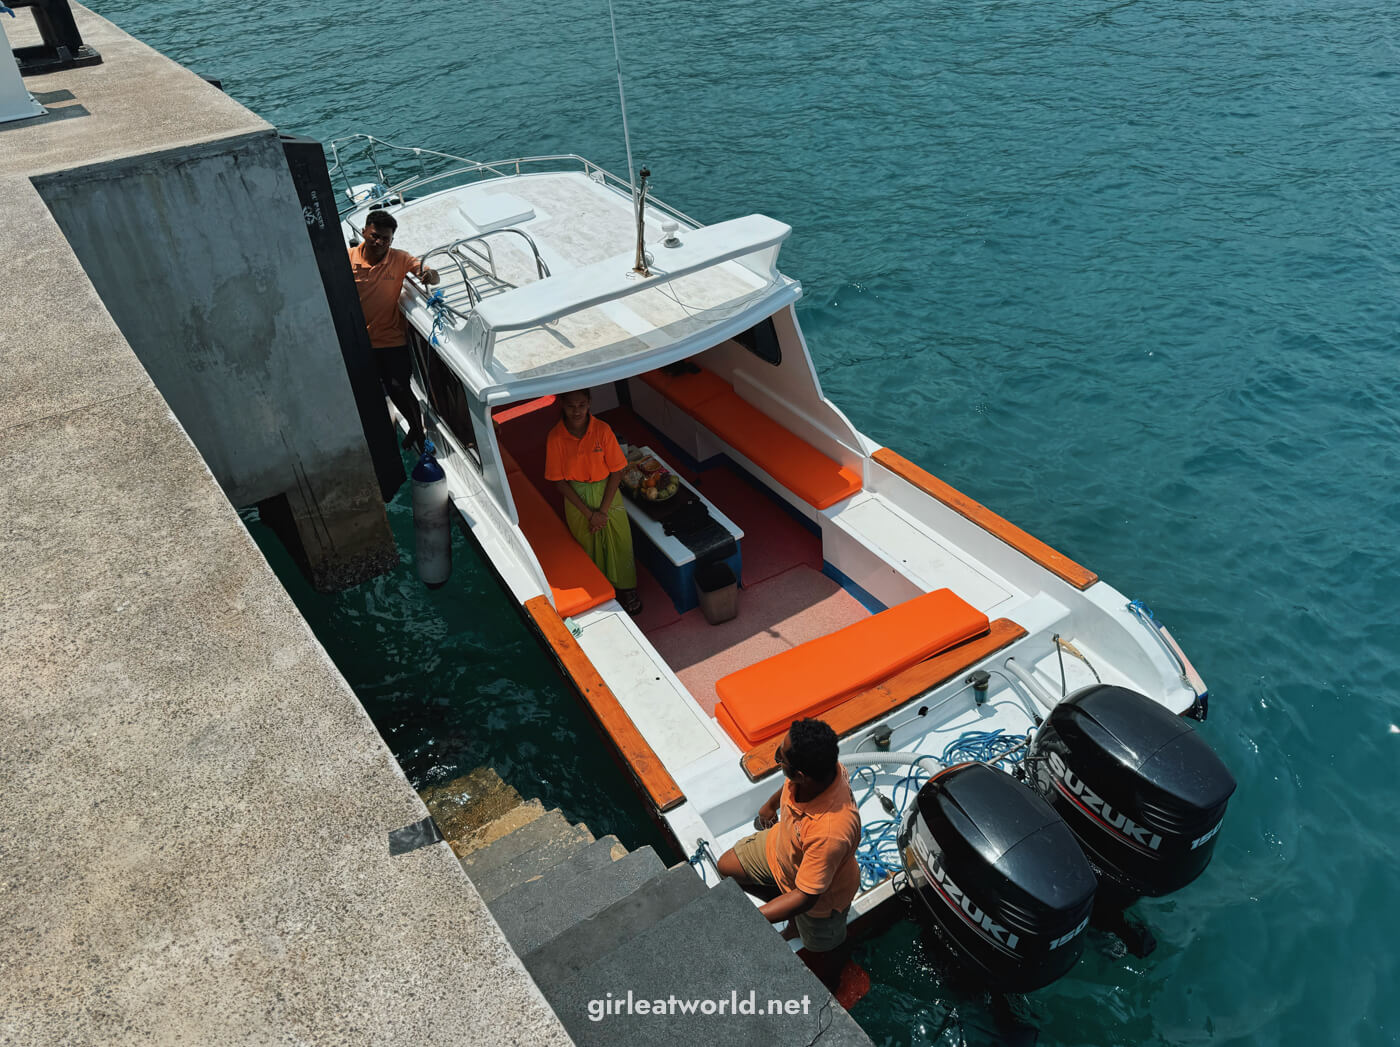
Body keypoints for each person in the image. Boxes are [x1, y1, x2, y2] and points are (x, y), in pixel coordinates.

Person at [716, 718, 861, 990]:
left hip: (820, 898)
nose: (777, 761)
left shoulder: (829, 832)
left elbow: (806, 897)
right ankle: (792, 920)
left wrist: (754, 919)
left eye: (779, 759)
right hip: (783, 848)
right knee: (727, 867)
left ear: (801, 775)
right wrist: (770, 805)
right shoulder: (824, 771)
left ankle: (833, 982)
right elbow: (789, 785)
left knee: (823, 953)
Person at [543, 390, 643, 615]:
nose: (576, 411)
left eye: (581, 405)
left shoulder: (602, 430)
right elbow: (559, 483)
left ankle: (627, 588)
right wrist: (590, 515)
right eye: (571, 406)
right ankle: (601, 590)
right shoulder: (555, 438)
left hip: (606, 492)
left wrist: (602, 512)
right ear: (562, 405)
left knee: (620, 540)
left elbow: (617, 472)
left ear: (589, 404)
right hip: (577, 497)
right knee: (588, 544)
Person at [348, 208, 439, 449]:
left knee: (398, 387)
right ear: (365, 231)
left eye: (385, 238)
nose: (379, 242)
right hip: (357, 340)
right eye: (375, 235)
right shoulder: (346, 258)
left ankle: (417, 430)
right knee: (368, 391)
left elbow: (430, 274)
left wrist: (429, 275)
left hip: (390, 338)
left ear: (392, 240)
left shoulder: (399, 259)